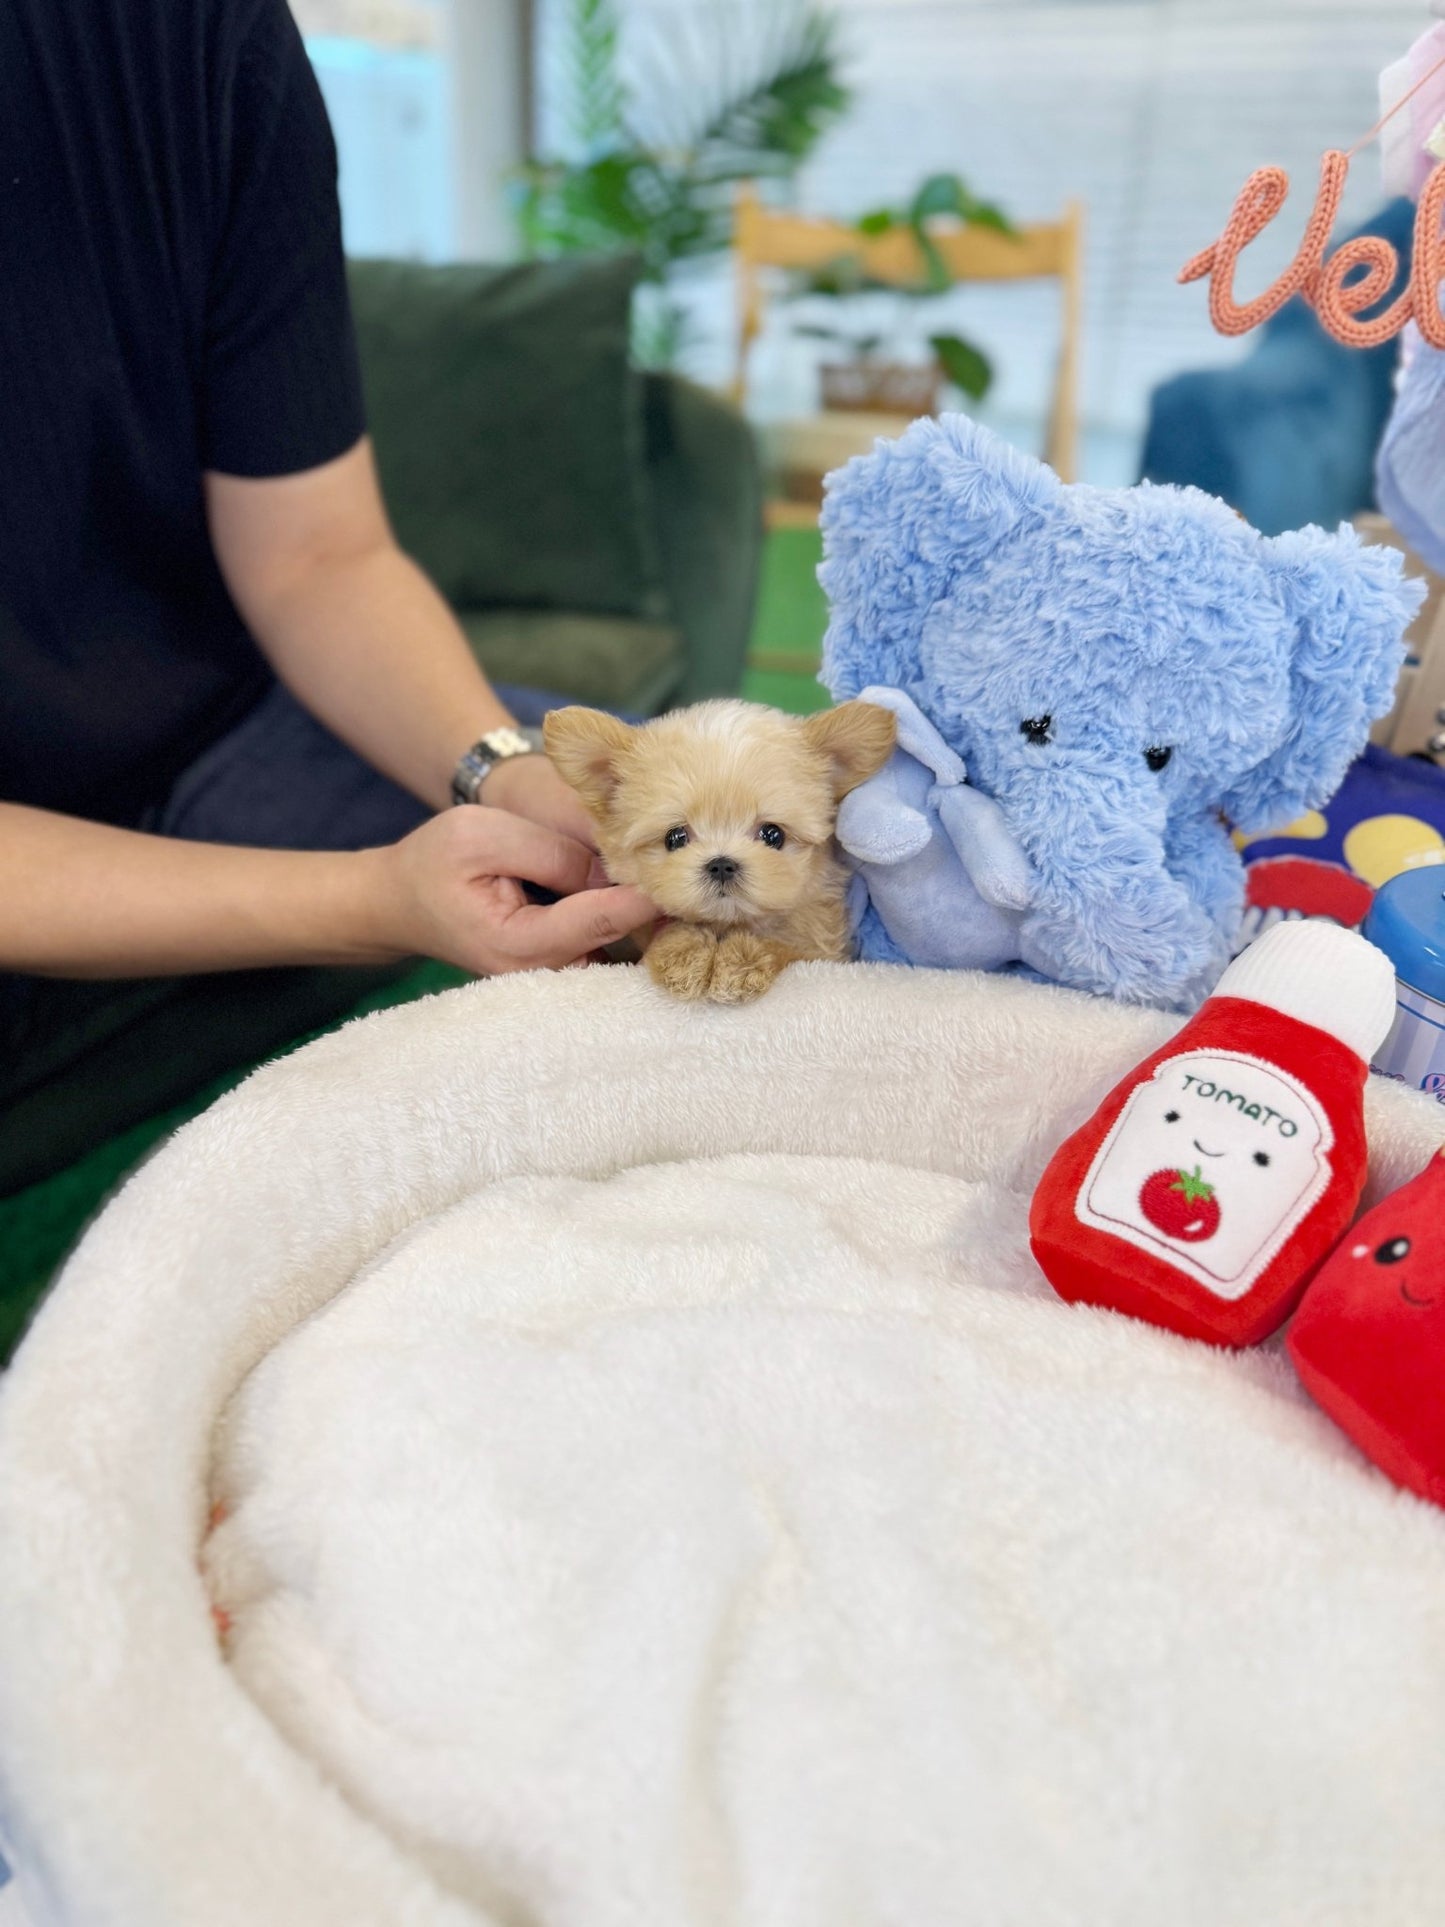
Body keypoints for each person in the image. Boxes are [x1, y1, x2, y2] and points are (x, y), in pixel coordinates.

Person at [0, 0, 655, 1181]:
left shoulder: (208, 40)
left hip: (222, 731)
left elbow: (317, 555)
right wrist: (374, 898)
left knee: (709, 838)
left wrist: (499, 769)